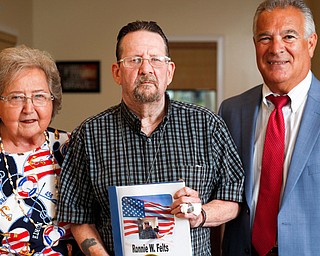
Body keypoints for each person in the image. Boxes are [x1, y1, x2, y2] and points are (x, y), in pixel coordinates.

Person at [57, 20, 245, 256]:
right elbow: (78, 216)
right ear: (117, 72)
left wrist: (201, 215)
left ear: (170, 71)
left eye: (155, 59)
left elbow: (234, 199)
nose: (146, 69)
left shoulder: (207, 125)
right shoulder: (89, 134)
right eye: (134, 60)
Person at [218, 0, 319, 255]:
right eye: (265, 38)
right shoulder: (231, 111)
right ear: (255, 45)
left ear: (311, 43)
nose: (276, 48)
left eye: (289, 36)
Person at [0, 45, 81, 255]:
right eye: (16, 97)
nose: (29, 108)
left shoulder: (71, 147)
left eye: (39, 96)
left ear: (52, 102)